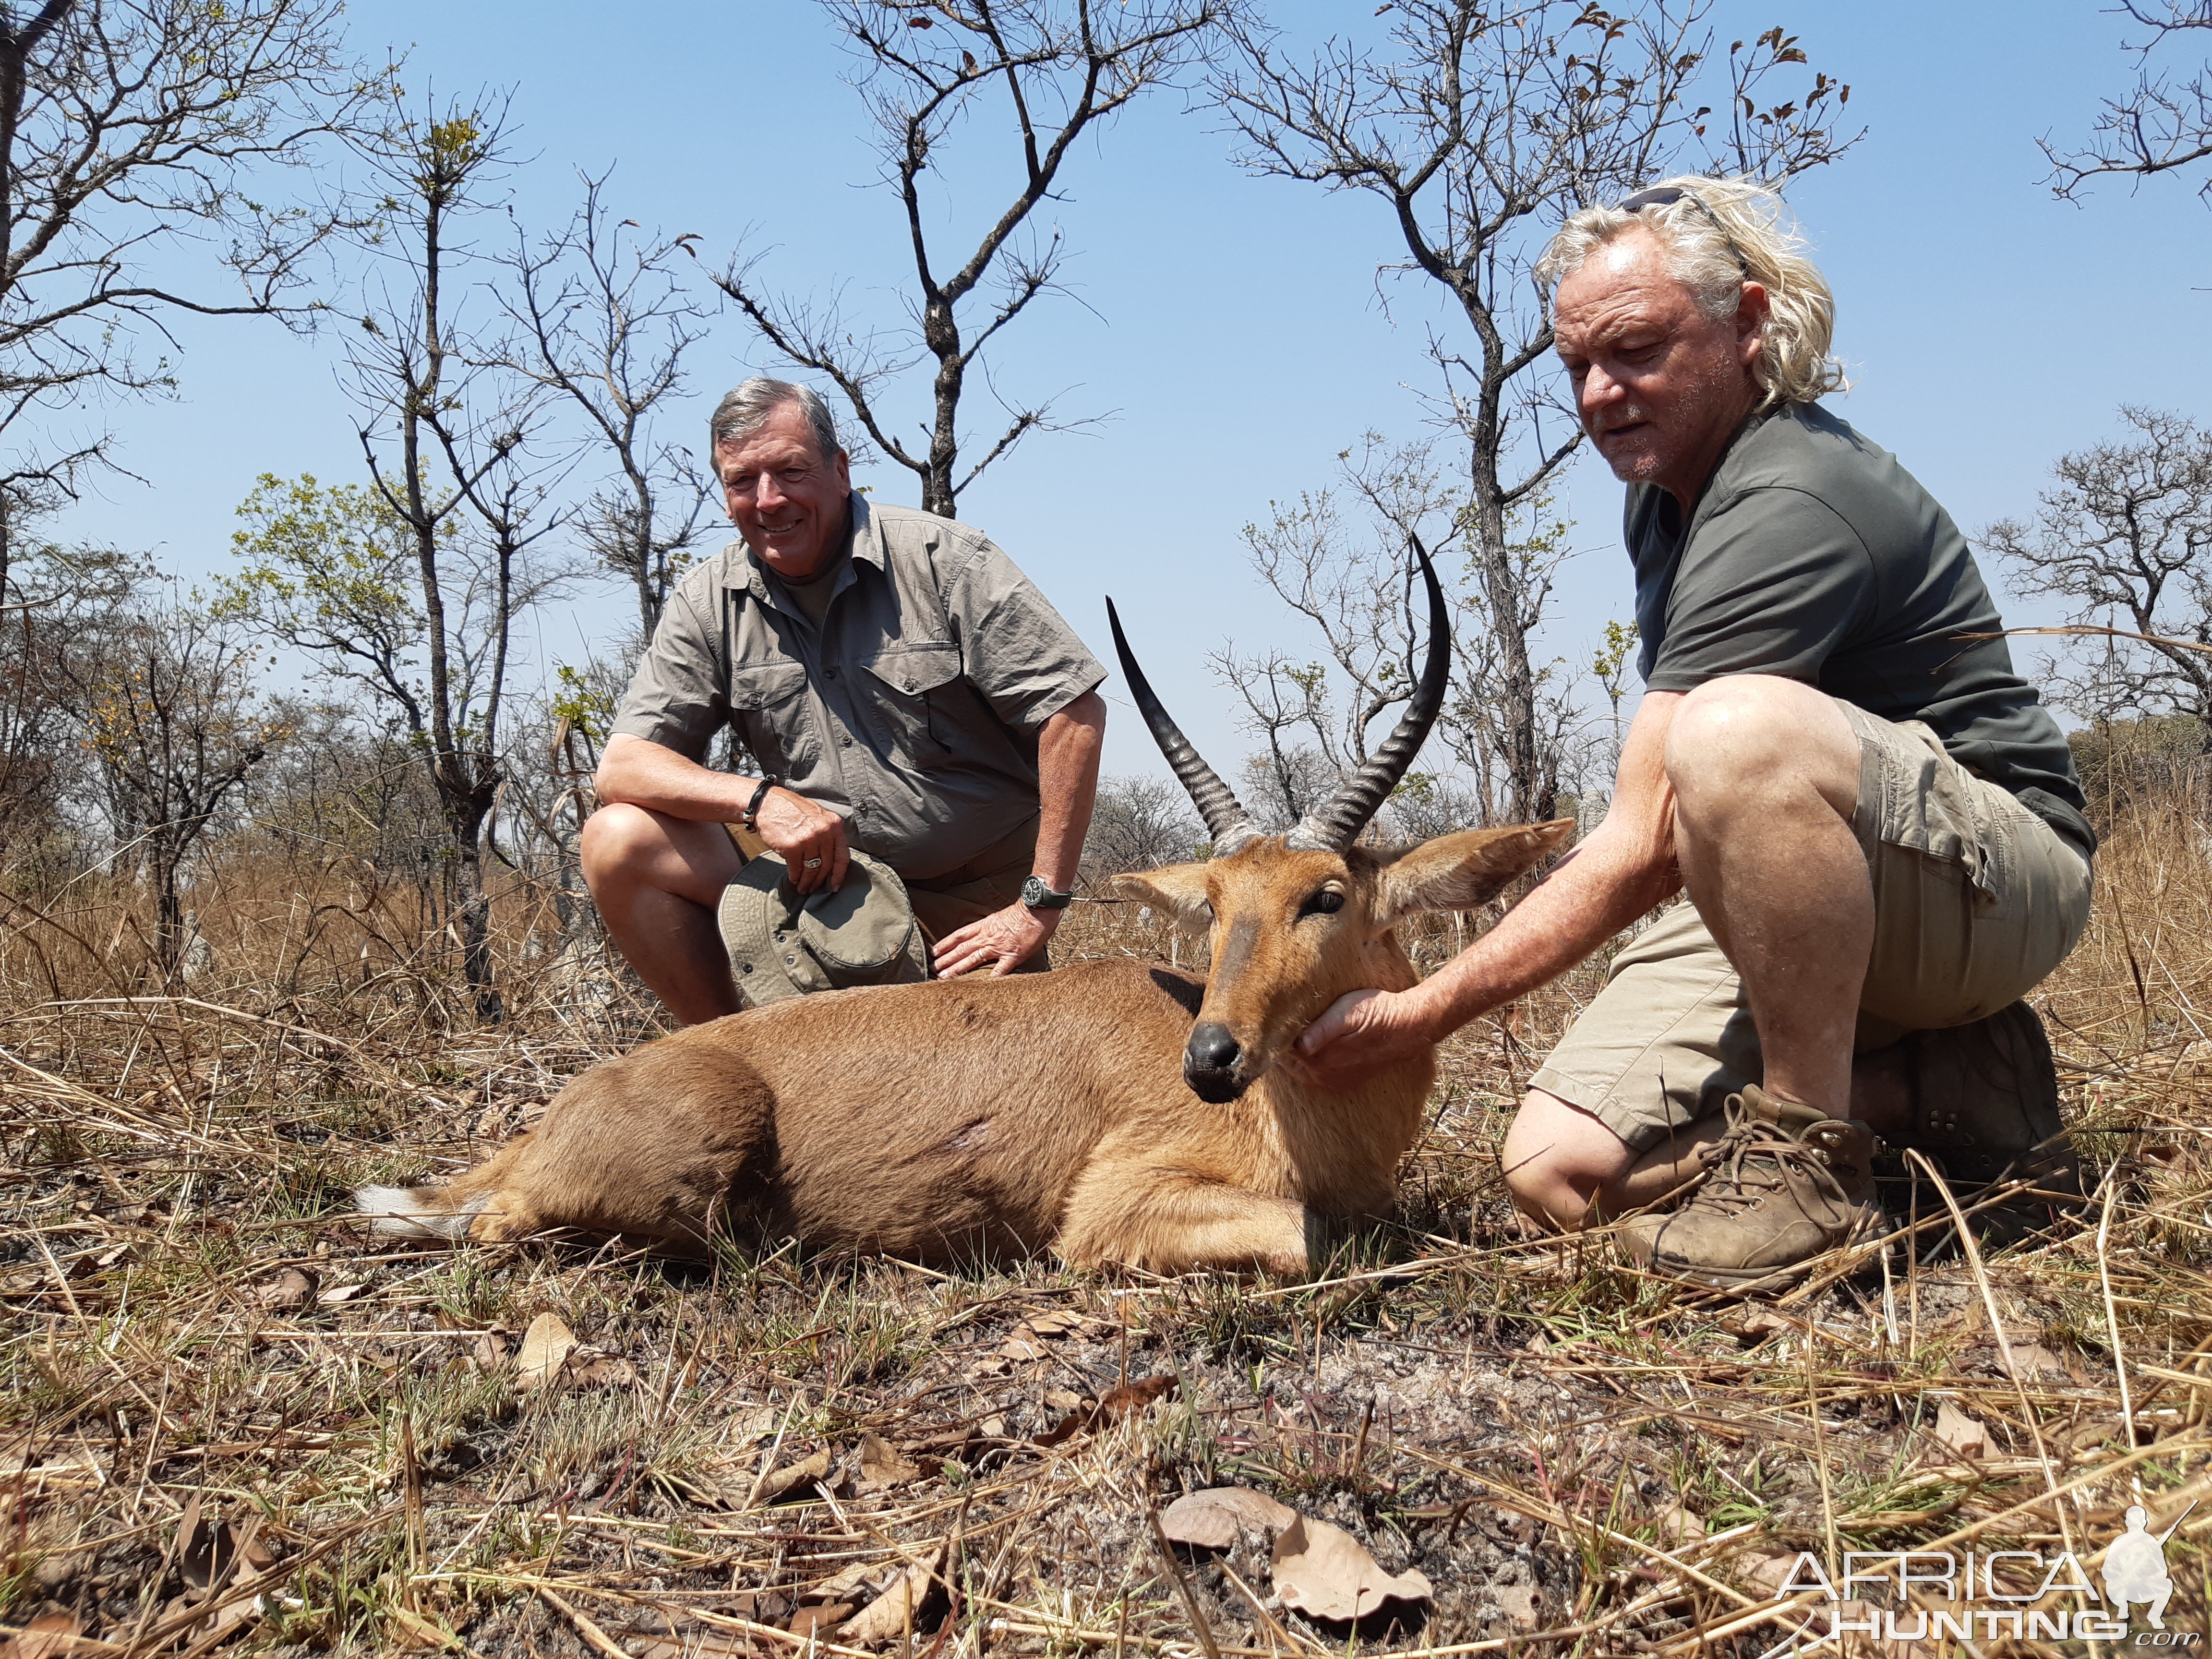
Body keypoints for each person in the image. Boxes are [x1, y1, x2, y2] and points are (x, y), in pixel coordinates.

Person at [1294, 177, 2095, 1288]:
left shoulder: (1791, 494)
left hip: (1999, 883)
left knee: (1729, 735)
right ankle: (1939, 1087)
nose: (1600, 394)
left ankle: (1810, 1170)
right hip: (1827, 874)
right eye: (1576, 365)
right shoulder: (1664, 485)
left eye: (1634, 351)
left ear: (1748, 324)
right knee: (1553, 1174)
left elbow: (1641, 838)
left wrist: (1419, 1013)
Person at [584, 377, 1108, 1025]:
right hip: (829, 896)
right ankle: (728, 1057)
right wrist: (760, 801)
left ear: (840, 471)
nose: (769, 501)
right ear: (724, 494)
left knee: (983, 1108)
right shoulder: (708, 598)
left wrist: (1038, 904)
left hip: (973, 912)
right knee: (618, 839)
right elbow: (624, 767)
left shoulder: (945, 558)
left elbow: (1073, 714)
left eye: (791, 471)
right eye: (743, 480)